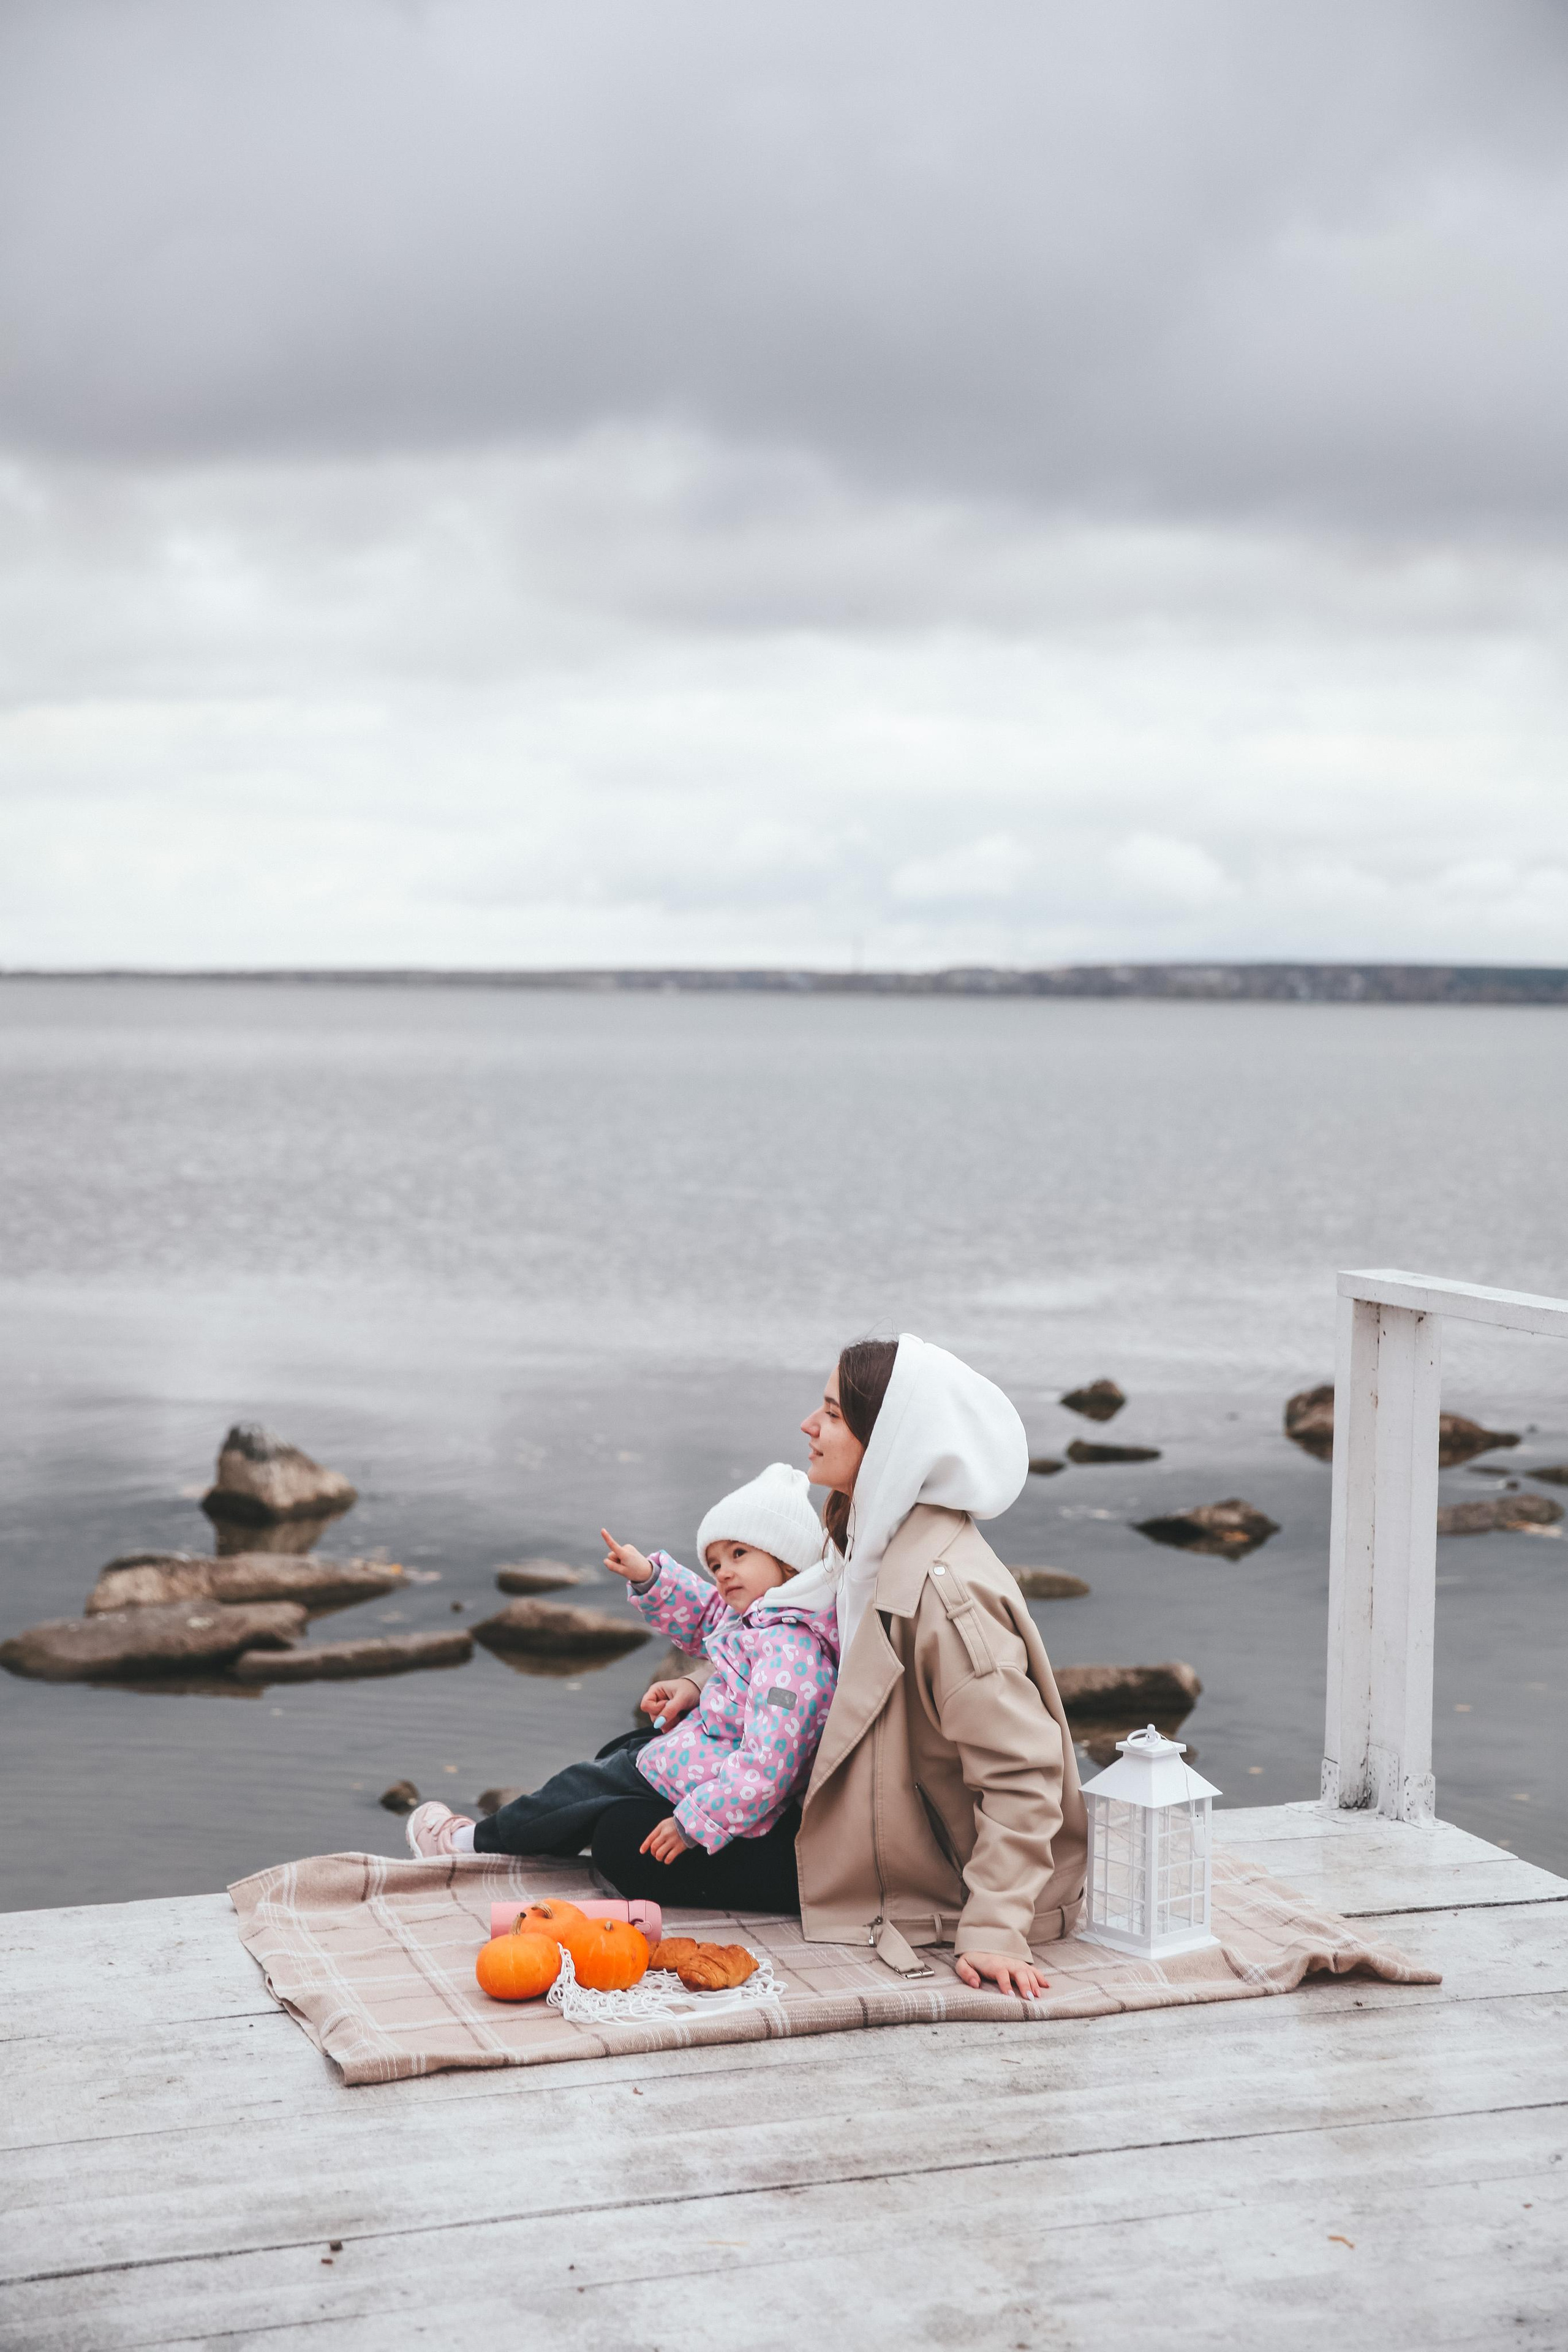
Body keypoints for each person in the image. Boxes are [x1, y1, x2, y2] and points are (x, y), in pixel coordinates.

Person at [619, 1336, 1087, 2000]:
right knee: (634, 1756)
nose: (809, 1426)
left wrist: (993, 1929)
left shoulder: (946, 1597)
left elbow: (1025, 1773)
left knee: (620, 1837)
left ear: (890, 1437)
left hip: (922, 1865)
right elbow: (777, 1643)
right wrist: (700, 1685)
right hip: (858, 1805)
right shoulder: (864, 1542)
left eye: (834, 1414)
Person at [404, 1462, 836, 1912]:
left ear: (785, 1556)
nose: (723, 1572)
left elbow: (769, 1764)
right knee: (609, 1765)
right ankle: (530, 1841)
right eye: (715, 1562)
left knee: (584, 1785)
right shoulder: (762, 1618)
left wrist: (694, 1822)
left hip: (710, 1780)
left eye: (739, 1554)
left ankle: (466, 1842)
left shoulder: (791, 1651)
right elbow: (707, 1614)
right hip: (703, 1760)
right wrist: (651, 1578)